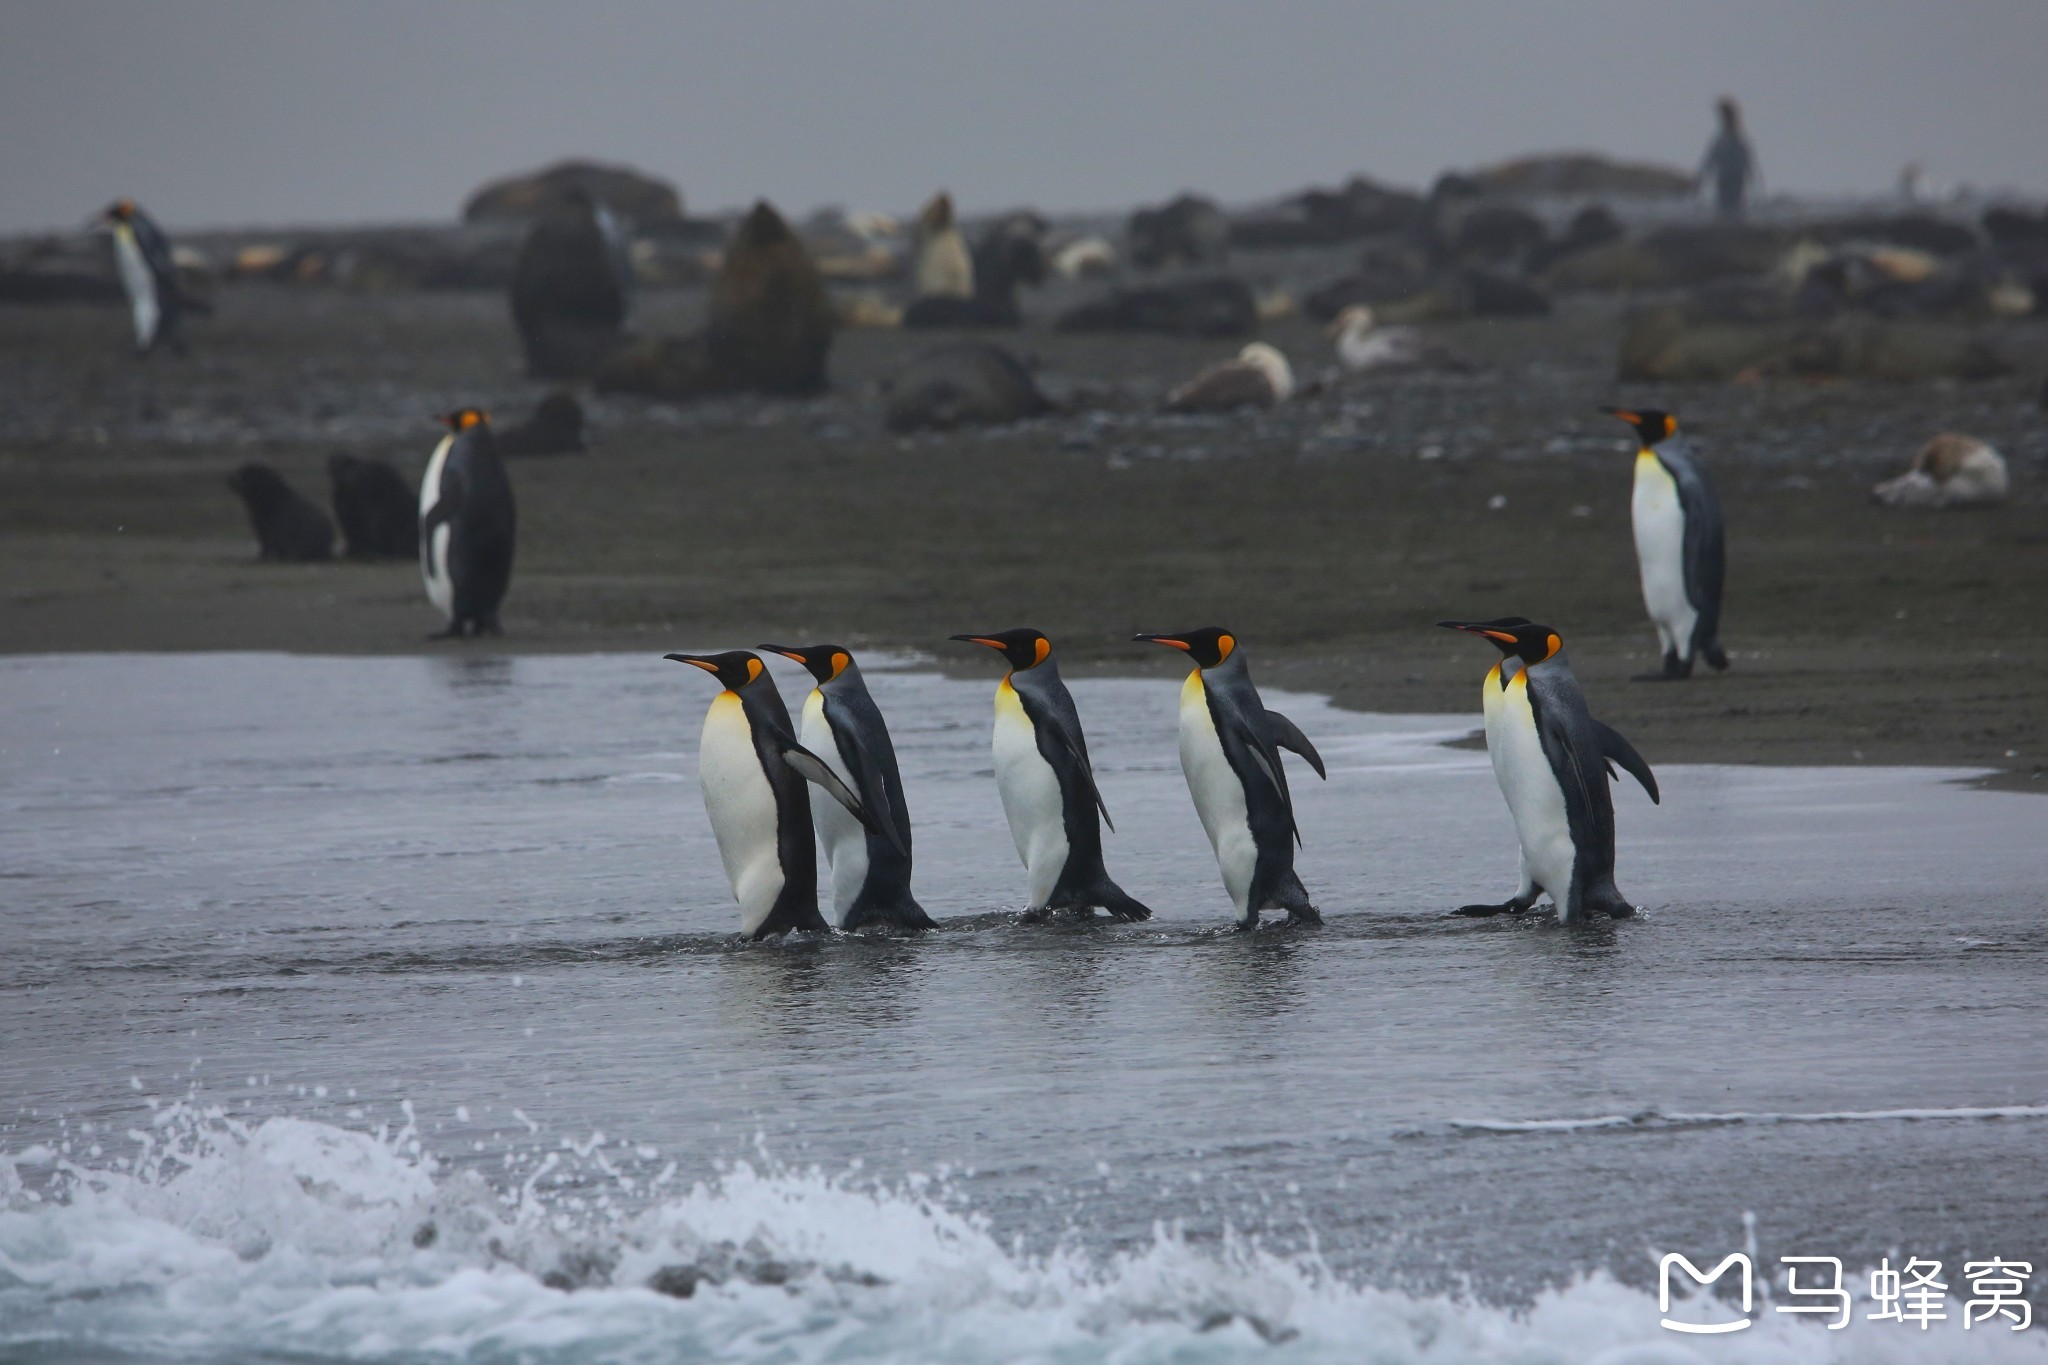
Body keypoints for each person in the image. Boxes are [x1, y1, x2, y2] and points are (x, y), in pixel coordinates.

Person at [1697, 97, 1758, 218]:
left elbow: (1747, 162)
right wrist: (1701, 178)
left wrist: (1752, 181)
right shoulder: (1722, 140)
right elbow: (1710, 160)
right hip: (1724, 179)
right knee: (1723, 211)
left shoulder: (1737, 140)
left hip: (1735, 179)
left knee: (1734, 210)